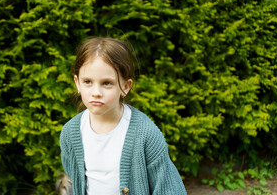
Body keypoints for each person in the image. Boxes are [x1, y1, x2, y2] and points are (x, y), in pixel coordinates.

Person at [60, 37, 187, 195]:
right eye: (88, 81)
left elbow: (169, 189)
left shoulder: (146, 134)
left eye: (107, 83)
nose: (96, 93)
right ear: (77, 83)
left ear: (125, 87)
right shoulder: (70, 134)